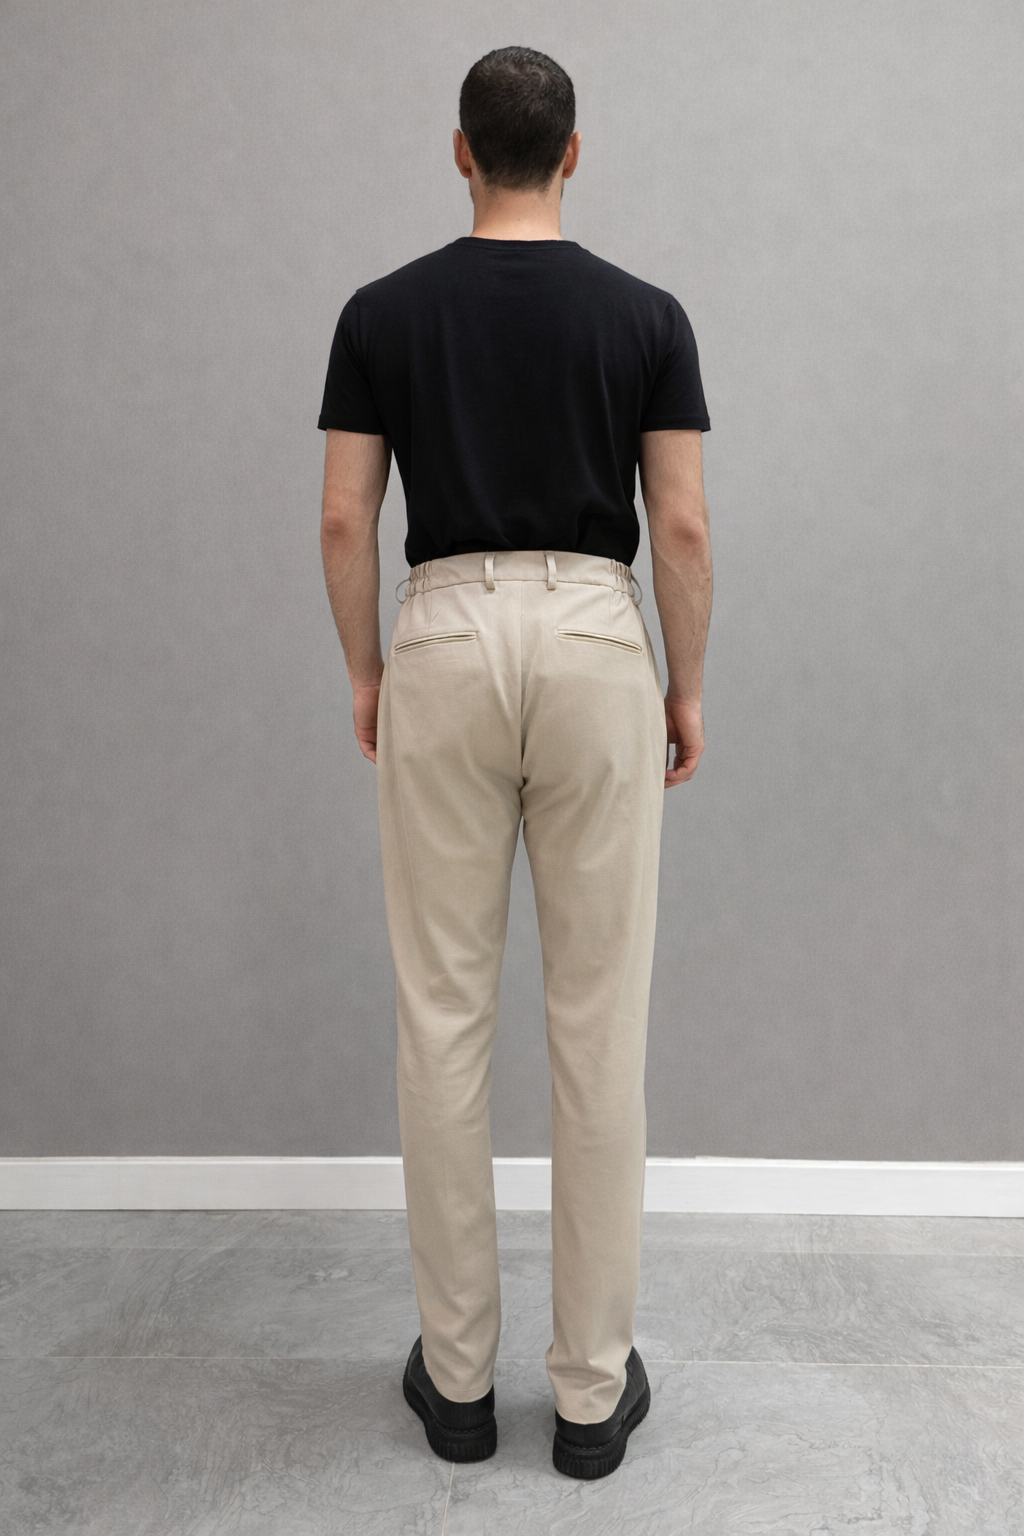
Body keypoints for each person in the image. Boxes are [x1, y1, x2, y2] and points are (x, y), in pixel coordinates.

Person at [317, 45, 712, 1480]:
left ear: (462, 152)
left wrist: (369, 671)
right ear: (575, 153)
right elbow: (681, 526)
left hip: (445, 628)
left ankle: (461, 1384)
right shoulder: (647, 316)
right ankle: (593, 1397)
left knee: (443, 1016)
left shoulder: (381, 313)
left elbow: (346, 519)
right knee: (599, 1025)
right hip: (598, 634)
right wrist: (686, 686)